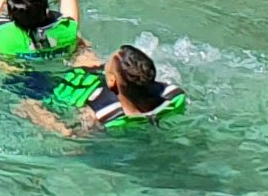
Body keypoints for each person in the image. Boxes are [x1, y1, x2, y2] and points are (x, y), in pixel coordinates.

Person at [25, 40, 185, 137]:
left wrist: (35, 112)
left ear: (111, 82)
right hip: (95, 85)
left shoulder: (100, 116)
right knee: (85, 53)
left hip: (68, 83)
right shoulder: (174, 96)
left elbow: (69, 135)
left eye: (106, 67)